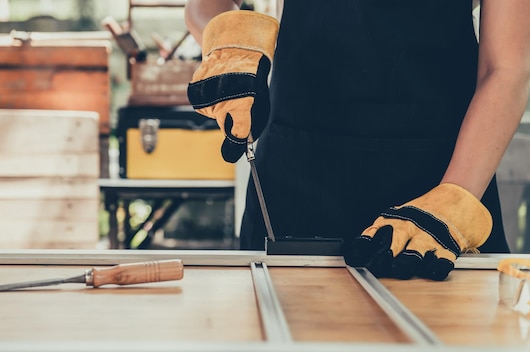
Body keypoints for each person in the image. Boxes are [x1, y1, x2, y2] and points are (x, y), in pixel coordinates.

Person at [184, 0, 530, 280]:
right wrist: (230, 42)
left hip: (440, 185)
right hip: (295, 176)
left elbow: (507, 67)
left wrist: (453, 201)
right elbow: (204, 6)